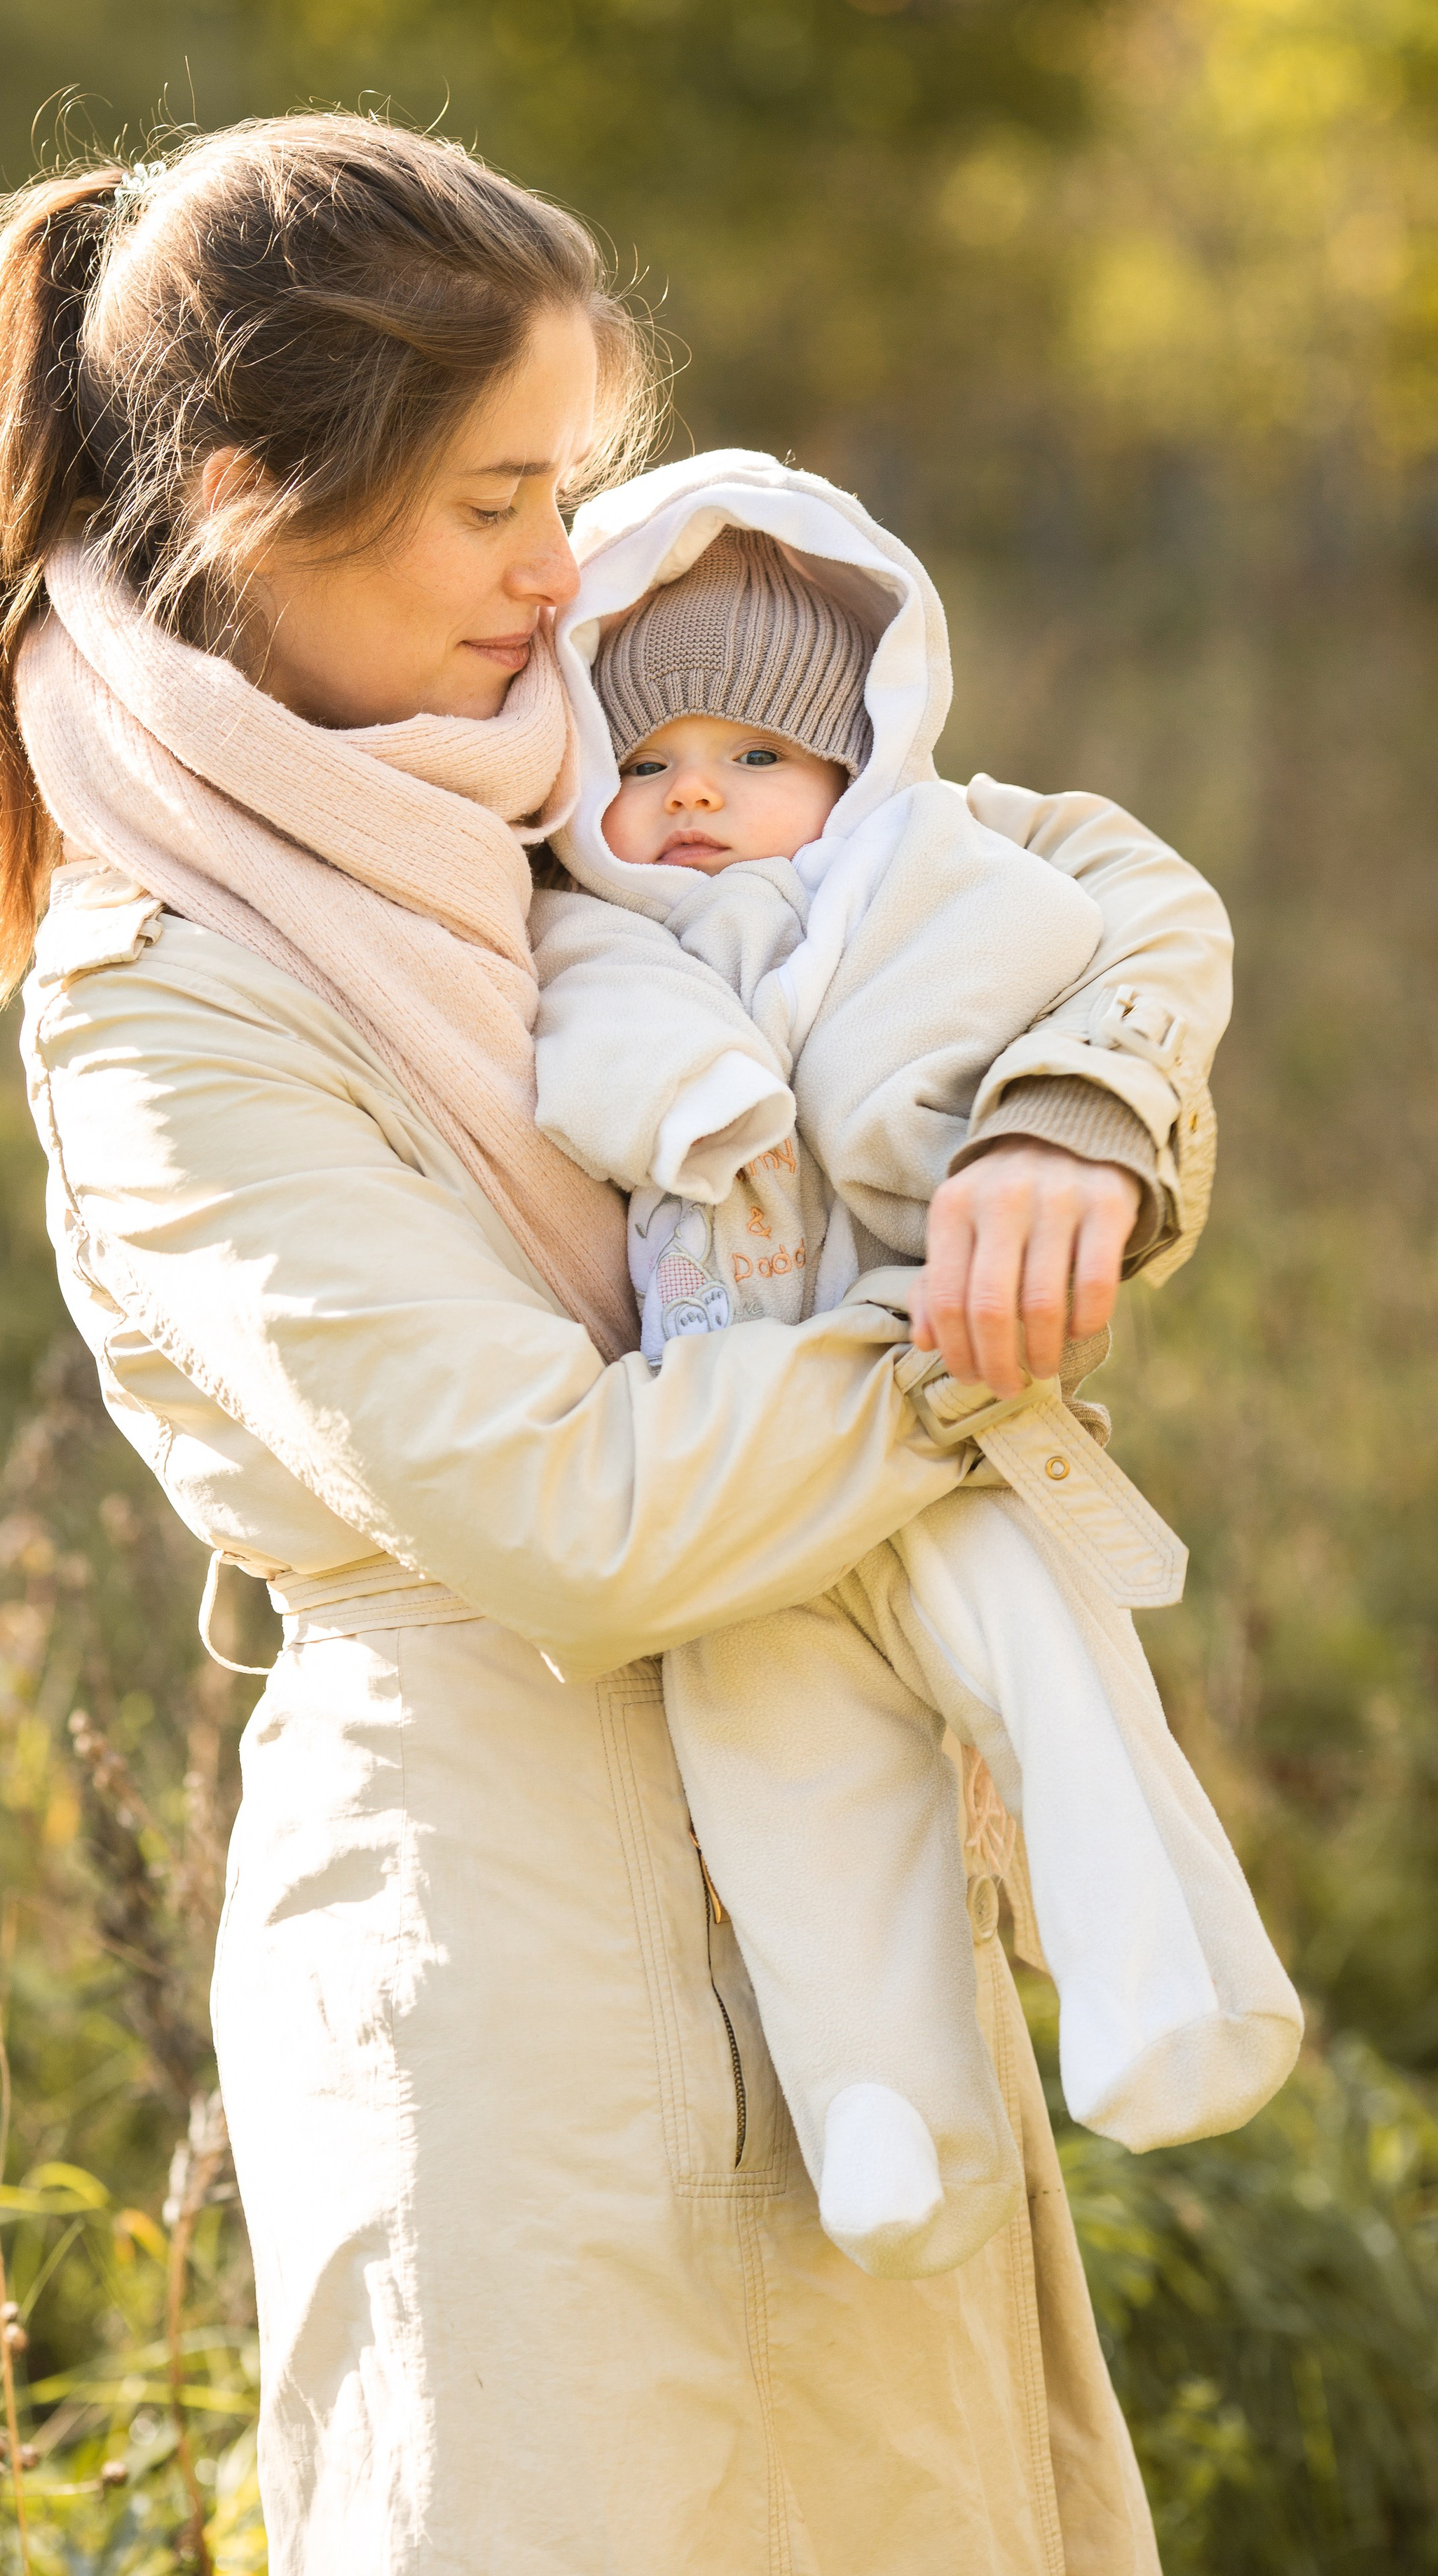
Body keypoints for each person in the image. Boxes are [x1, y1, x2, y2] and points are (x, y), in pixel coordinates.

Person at [0, 109, 1233, 2573]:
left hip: (837, 1924)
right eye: (496, 503)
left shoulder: (583, 786)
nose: (562, 566)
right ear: (257, 502)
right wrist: (957, 1339)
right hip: (508, 1971)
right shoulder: (167, 1005)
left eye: (567, 488)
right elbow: (565, 1517)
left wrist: (1073, 1128)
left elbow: (1082, 879)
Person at [528, 480, 1301, 2282]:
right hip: (738, 1449)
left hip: (941, 1407)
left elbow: (1086, 935)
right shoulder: (591, 928)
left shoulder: (931, 870)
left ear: (855, 756)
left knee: (1053, 1676)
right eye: (644, 762)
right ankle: (884, 2111)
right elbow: (583, 1036)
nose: (695, 796)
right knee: (781, 1774)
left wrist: (1029, 1112)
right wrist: (694, 1095)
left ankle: (1164, 1983)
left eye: (755, 755)